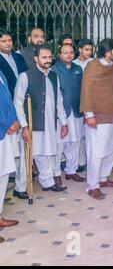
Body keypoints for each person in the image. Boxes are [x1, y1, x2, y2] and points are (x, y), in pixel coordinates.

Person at [14, 45, 68, 192]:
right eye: (44, 57)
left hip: (49, 123)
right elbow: (18, 103)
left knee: (46, 153)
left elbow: (59, 101)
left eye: (50, 57)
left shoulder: (53, 76)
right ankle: (20, 188)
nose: (47, 60)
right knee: (28, 156)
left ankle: (47, 182)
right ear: (36, 59)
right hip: (32, 123)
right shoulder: (25, 76)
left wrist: (64, 122)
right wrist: (24, 126)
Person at [80, 38, 113, 200]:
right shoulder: (92, 67)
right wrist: (89, 115)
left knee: (111, 148)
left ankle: (104, 178)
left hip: (112, 113)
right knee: (96, 152)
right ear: (107, 52)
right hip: (97, 116)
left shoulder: (111, 66)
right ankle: (93, 186)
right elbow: (86, 91)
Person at [0, 29, 29, 199]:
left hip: (19, 108)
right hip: (5, 120)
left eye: (10, 40)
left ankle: (20, 184)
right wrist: (8, 121)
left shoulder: (18, 58)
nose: (8, 43)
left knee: (20, 149)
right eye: (4, 41)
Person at [51, 44, 85, 183]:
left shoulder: (78, 69)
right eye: (65, 53)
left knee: (75, 141)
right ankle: (56, 173)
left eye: (71, 52)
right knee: (60, 143)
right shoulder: (54, 70)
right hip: (61, 111)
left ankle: (71, 170)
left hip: (76, 111)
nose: (69, 55)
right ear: (59, 54)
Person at [0, 68, 20, 243]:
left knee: (4, 173)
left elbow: (8, 99)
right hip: (2, 127)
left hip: (5, 132)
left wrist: (14, 120)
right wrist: (8, 122)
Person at [73, 39, 94, 172]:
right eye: (86, 49)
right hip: (76, 103)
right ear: (79, 49)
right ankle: (81, 162)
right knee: (79, 135)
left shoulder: (94, 63)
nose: (89, 52)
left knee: (90, 135)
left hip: (91, 102)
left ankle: (91, 161)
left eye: (91, 50)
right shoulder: (74, 64)